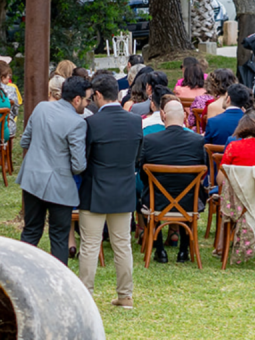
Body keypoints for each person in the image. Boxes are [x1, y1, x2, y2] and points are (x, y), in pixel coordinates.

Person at [77, 73, 141, 309]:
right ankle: (126, 295)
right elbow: (137, 157)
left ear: (98, 95)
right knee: (122, 244)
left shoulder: (91, 123)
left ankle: (86, 296)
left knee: (90, 245)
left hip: (95, 190)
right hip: (124, 189)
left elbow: (83, 158)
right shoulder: (135, 122)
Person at [17, 75, 88, 264]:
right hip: (60, 185)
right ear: (77, 99)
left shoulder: (41, 108)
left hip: (32, 179)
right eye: (87, 100)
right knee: (59, 236)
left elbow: (24, 141)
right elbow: (79, 165)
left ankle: (20, 272)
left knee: (31, 231)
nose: (87, 105)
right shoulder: (77, 122)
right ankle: (58, 283)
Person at [138, 99, 208, 264]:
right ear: (185, 116)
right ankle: (183, 250)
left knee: (148, 195)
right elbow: (203, 171)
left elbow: (143, 174)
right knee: (186, 189)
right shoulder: (197, 141)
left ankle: (160, 250)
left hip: (157, 201)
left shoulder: (150, 141)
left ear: (163, 115)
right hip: (190, 201)